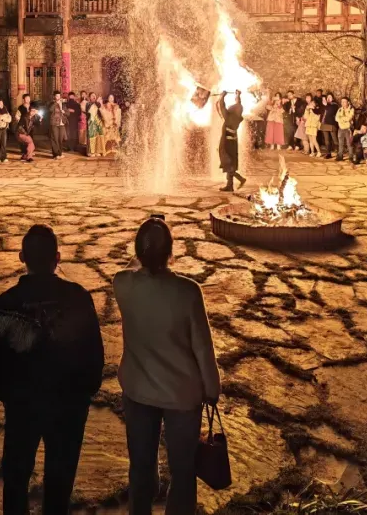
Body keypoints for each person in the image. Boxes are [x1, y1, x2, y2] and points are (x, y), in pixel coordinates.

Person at [0, 225, 104, 515]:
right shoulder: (78, 297)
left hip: (22, 405)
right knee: (60, 481)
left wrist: (8, 394)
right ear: (57, 258)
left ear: (22, 257)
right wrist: (84, 392)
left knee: (16, 477)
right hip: (68, 405)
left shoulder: (6, 303)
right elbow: (94, 353)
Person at [114, 218, 220, 515]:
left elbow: (132, 269)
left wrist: (142, 254)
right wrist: (212, 388)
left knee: (141, 464)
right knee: (183, 469)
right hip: (181, 394)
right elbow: (203, 347)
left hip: (138, 389)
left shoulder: (122, 284)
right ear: (171, 252)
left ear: (137, 250)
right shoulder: (188, 291)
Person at [216, 91, 247, 192]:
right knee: (231, 163)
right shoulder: (237, 117)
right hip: (233, 143)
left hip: (227, 144)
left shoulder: (229, 117)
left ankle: (241, 179)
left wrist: (222, 96)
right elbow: (239, 105)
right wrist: (238, 95)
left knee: (227, 163)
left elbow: (222, 107)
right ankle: (229, 186)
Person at [16, 94, 37, 162]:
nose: (28, 99)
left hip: (29, 128)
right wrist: (24, 131)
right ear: (23, 99)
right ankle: (27, 155)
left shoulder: (31, 107)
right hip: (23, 129)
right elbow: (17, 117)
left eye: (29, 98)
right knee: (29, 142)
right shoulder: (21, 108)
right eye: (26, 98)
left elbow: (35, 119)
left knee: (30, 142)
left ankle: (27, 154)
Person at [48, 90, 67, 158]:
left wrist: (64, 112)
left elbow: (68, 113)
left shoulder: (63, 104)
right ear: (54, 97)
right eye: (56, 96)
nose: (58, 97)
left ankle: (60, 153)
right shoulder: (51, 103)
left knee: (60, 139)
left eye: (59, 96)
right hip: (54, 124)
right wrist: (56, 103)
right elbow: (50, 110)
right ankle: (55, 154)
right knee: (55, 139)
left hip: (62, 124)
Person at [0, 98, 11, 163]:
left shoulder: (5, 110)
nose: (1, 104)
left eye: (2, 103)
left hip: (4, 128)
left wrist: (2, 118)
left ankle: (4, 157)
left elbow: (9, 119)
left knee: (3, 143)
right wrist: (3, 117)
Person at [320, 93, 337, 158]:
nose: (329, 98)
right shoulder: (324, 105)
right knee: (326, 140)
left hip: (331, 124)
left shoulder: (334, 105)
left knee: (335, 139)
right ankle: (328, 153)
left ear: (333, 98)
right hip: (324, 124)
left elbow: (331, 111)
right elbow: (320, 112)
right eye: (328, 97)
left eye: (330, 97)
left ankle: (339, 152)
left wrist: (326, 105)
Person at [77, 91, 89, 155]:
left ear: (86, 95)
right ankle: (81, 146)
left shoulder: (88, 102)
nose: (83, 95)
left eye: (84, 94)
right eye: (82, 94)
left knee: (86, 131)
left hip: (87, 117)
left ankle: (86, 146)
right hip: (81, 118)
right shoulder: (79, 102)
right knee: (81, 131)